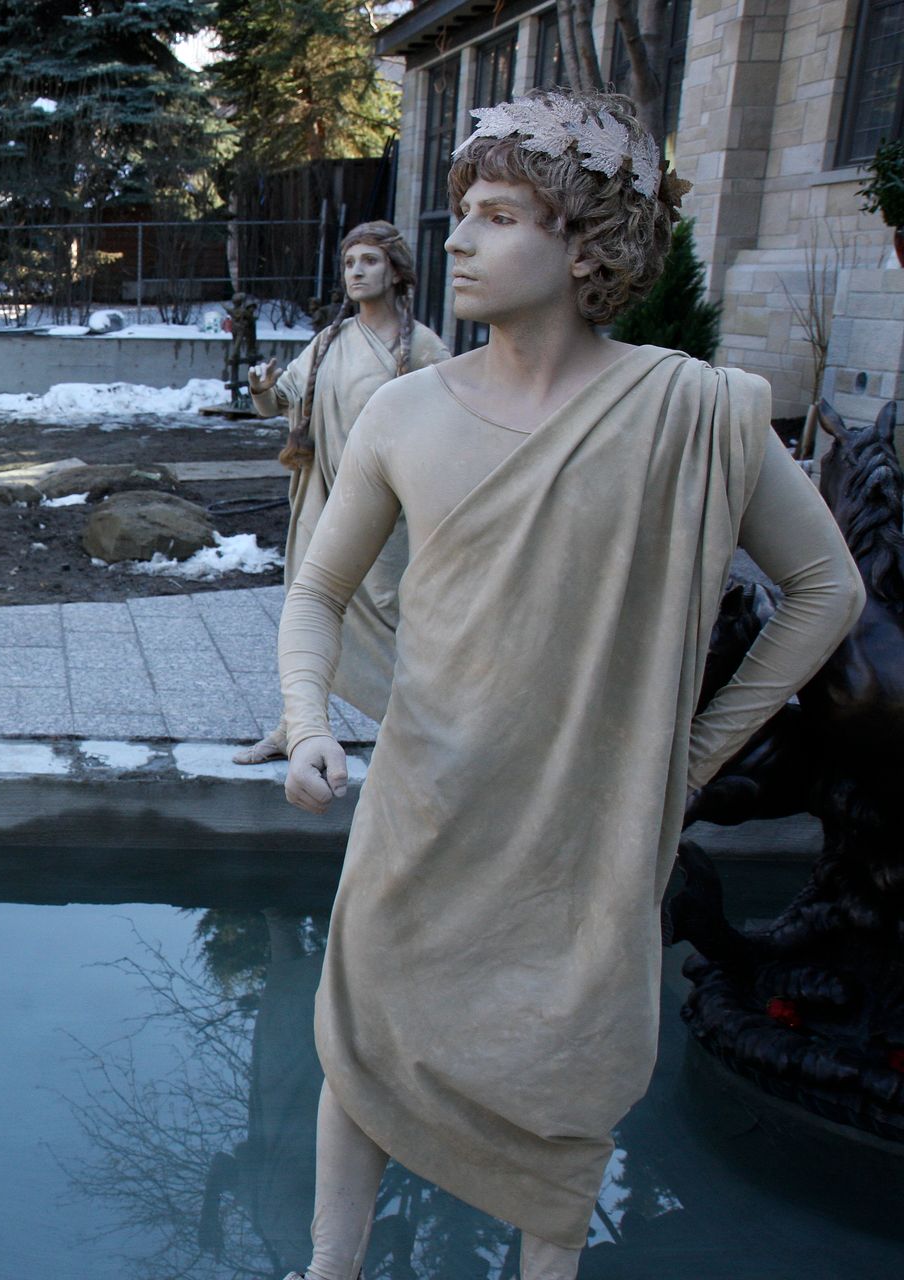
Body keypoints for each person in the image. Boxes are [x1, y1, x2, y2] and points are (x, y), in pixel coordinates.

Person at [275, 91, 864, 1280]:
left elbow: (826, 590)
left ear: (586, 243)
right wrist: (305, 727)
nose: (459, 241)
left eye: (498, 216)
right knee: (365, 1052)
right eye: (461, 215)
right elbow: (314, 592)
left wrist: (696, 755)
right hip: (422, 812)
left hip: (586, 832)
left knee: (563, 1082)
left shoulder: (695, 412)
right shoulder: (405, 412)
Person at [234, 222, 448, 765]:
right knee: (306, 608)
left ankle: (411, 727)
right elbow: (280, 400)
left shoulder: (424, 347)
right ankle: (295, 725)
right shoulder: (330, 342)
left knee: (388, 611)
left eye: (369, 261)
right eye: (350, 262)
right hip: (323, 497)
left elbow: (449, 426)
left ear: (395, 271)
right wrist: (261, 385)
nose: (356, 271)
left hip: (389, 509)